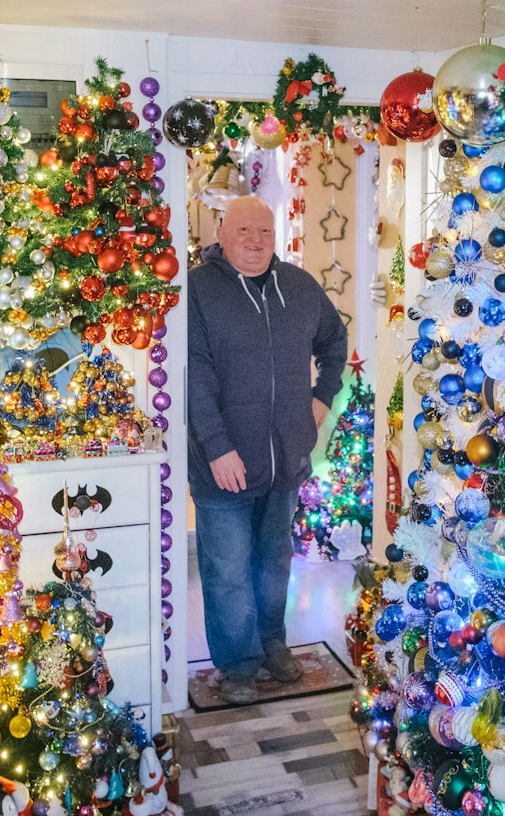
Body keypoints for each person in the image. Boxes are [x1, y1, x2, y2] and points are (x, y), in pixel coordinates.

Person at [186, 195, 348, 704]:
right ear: (221, 232)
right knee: (229, 568)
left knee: (273, 559)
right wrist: (216, 448)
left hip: (286, 458)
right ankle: (237, 664)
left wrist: (322, 398)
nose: (255, 242)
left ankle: (271, 642)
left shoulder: (297, 287)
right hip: (225, 463)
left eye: (264, 232)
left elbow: (334, 341)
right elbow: (196, 377)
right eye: (244, 232)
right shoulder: (197, 290)